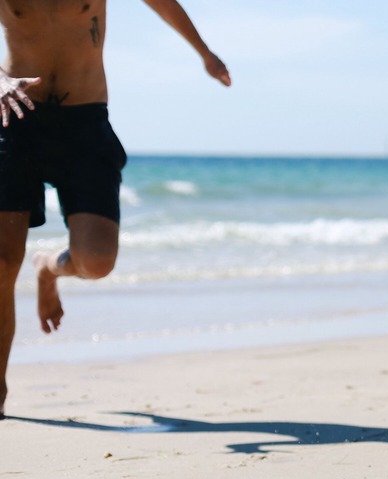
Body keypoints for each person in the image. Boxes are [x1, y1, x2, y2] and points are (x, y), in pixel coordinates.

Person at [0, 0, 229, 418]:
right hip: (15, 115)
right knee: (0, 263)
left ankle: (49, 268)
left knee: (97, 261)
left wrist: (204, 53)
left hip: (84, 120)